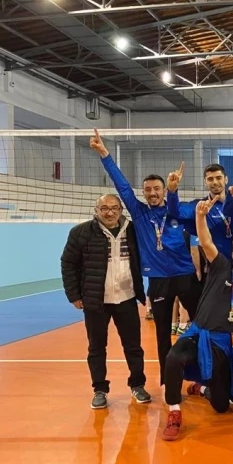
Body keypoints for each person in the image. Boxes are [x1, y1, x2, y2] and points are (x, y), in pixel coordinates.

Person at [90, 130, 201, 385]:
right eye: (148, 189)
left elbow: (186, 212)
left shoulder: (177, 212)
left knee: (200, 326)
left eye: (157, 189)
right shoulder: (139, 213)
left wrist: (173, 191)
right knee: (162, 334)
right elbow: (122, 186)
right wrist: (105, 154)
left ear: (164, 191)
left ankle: (199, 374)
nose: (152, 193)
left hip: (185, 277)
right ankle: (169, 380)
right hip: (158, 281)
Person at [161, 197, 233, 441]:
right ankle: (174, 412)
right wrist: (200, 216)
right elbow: (206, 242)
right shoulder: (221, 267)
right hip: (197, 333)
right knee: (173, 358)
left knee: (221, 406)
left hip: (220, 342)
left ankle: (203, 388)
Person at [61, 194, 150, 409]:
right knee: (96, 348)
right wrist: (74, 295)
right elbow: (68, 263)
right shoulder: (81, 232)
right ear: (96, 210)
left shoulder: (133, 230)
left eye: (114, 208)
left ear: (121, 210)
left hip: (127, 297)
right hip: (95, 301)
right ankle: (99, 390)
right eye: (104, 208)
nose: (109, 212)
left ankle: (137, 385)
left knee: (133, 346)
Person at [167, 163, 233, 260]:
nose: (215, 182)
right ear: (205, 182)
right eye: (210, 179)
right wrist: (172, 191)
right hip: (217, 262)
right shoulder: (200, 206)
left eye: (218, 178)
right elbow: (175, 212)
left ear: (226, 179)